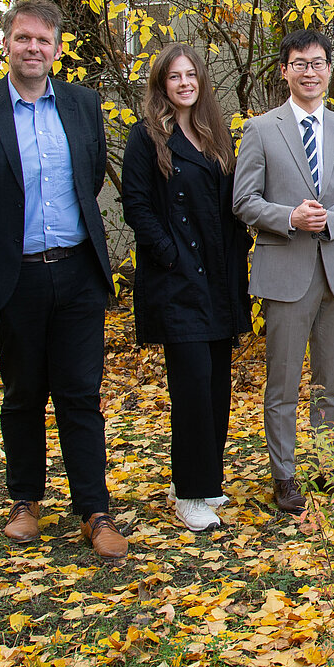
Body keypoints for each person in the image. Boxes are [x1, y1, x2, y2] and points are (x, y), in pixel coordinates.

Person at [0, 0, 125, 558]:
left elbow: (89, 178)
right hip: (14, 276)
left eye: (43, 40)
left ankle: (94, 509)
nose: (33, 48)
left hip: (76, 271)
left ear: (57, 48)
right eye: (23, 38)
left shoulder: (82, 103)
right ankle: (25, 500)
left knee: (80, 394)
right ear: (6, 44)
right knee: (22, 394)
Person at [232, 29, 334, 515]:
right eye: (300, 63)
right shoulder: (260, 129)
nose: (309, 72)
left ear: (329, 70)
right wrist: (290, 217)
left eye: (317, 63)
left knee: (329, 381)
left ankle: (326, 466)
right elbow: (244, 200)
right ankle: (285, 475)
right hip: (285, 269)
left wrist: (331, 220)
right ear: (284, 70)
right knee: (283, 382)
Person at [122, 44, 252, 531]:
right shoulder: (147, 136)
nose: (184, 83)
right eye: (174, 76)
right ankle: (190, 493)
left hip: (218, 279)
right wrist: (169, 253)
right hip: (177, 281)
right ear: (162, 83)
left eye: (191, 74)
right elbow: (136, 205)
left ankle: (203, 481)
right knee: (193, 388)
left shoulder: (214, 134)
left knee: (216, 386)